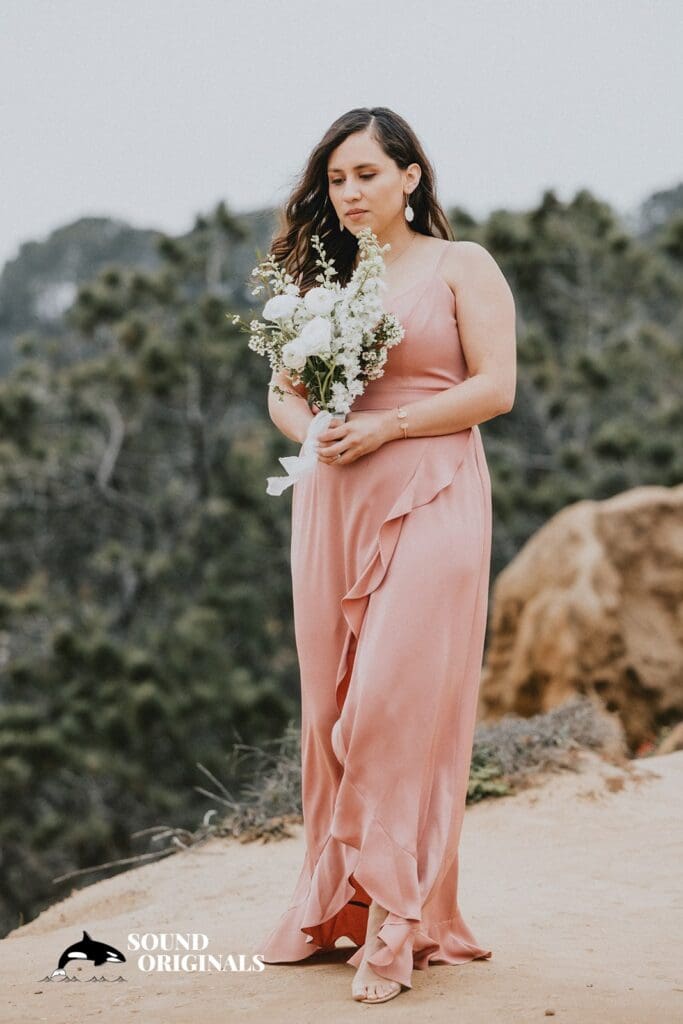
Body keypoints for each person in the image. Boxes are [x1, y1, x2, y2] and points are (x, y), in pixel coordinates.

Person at [254, 106, 516, 1005]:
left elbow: (496, 386)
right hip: (335, 503)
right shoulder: (321, 276)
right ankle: (339, 903)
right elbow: (283, 392)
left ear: (409, 176)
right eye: (335, 179)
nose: (350, 192)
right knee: (331, 705)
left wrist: (388, 424)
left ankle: (400, 923)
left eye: (366, 173)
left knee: (391, 706)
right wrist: (317, 426)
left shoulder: (460, 265)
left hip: (433, 490)